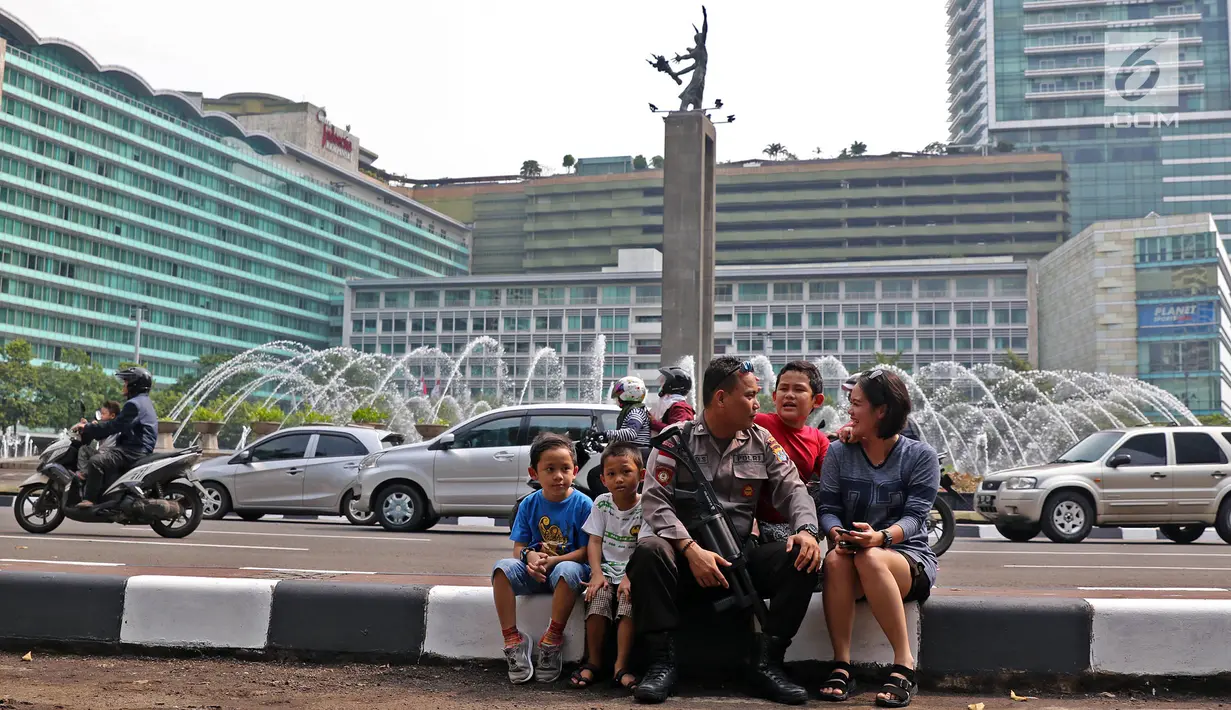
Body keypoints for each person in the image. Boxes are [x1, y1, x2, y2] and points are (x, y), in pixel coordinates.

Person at [628, 356, 822, 706]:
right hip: (685, 556)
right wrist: (690, 549)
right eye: (749, 396)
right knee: (649, 552)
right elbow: (655, 504)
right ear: (720, 398)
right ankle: (660, 664)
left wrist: (807, 530)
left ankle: (767, 664)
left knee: (801, 558)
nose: (757, 404)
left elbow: (794, 489)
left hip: (738, 556)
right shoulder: (675, 441)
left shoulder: (761, 440)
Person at [815, 369, 940, 708]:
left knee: (869, 557)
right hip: (854, 556)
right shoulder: (839, 453)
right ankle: (842, 664)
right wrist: (835, 531)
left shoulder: (920, 456)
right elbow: (827, 507)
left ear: (881, 411)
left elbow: (916, 518)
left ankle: (904, 664)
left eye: (857, 404)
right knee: (836, 559)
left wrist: (880, 538)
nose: (849, 411)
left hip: (907, 559)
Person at [492, 432, 594, 685]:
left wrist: (554, 561)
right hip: (535, 571)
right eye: (549, 469)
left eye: (565, 468)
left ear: (575, 470)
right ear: (534, 472)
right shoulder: (528, 504)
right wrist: (529, 557)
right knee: (502, 569)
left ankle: (552, 639)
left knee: (570, 569)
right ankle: (513, 640)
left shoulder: (584, 504)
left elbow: (587, 551)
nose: (558, 476)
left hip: (566, 574)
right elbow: (519, 548)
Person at [573, 441, 645, 692]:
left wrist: (629, 577)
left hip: (632, 571)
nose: (619, 479)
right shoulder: (602, 503)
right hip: (606, 570)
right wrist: (596, 573)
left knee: (627, 603)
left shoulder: (646, 506)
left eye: (626, 472)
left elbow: (644, 547)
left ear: (641, 474)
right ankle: (593, 662)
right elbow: (594, 541)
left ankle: (620, 666)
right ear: (603, 479)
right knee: (597, 598)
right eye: (611, 474)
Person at [754, 361, 830, 545]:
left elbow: (833, 478)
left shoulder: (818, 439)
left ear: (817, 400)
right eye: (783, 389)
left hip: (793, 522)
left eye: (799, 390)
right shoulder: (757, 423)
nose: (789, 395)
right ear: (774, 396)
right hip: (751, 522)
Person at [73, 368, 157, 508]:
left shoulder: (134, 404)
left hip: (132, 450)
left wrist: (87, 428)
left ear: (134, 385)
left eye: (126, 382)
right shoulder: (143, 402)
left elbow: (113, 426)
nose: (123, 386)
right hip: (138, 447)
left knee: (95, 461)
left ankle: (90, 499)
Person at [605, 376, 652, 461]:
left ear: (627, 394)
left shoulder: (635, 412)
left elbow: (631, 433)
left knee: (594, 473)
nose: (616, 399)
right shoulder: (634, 411)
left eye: (618, 396)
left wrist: (605, 434)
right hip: (631, 453)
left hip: (636, 454)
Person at [650, 366, 696, 433]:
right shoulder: (668, 403)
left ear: (671, 384)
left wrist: (653, 423)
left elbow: (679, 431)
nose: (661, 385)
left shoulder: (680, 407)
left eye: (663, 382)